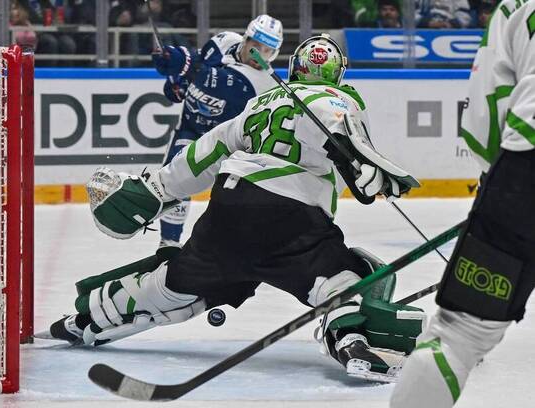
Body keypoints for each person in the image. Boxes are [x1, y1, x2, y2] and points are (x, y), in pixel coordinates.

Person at [39, 34, 427, 383]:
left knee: (175, 285)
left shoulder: (260, 103)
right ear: (339, 75)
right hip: (290, 222)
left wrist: (156, 189)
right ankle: (352, 342)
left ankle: (84, 321)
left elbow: (206, 151)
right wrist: (366, 162)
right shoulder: (338, 100)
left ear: (295, 68)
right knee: (348, 277)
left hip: (230, 208)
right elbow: (339, 126)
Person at [391, 1, 535, 406]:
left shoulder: (519, 6)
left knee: (460, 334)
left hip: (528, 163)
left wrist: (500, 189)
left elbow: (483, 120)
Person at [151, 15, 284, 248]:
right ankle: (168, 243)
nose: (259, 55)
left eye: (267, 51)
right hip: (191, 128)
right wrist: (179, 82)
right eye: (256, 46)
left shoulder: (265, 84)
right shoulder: (223, 41)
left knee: (231, 201)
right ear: (245, 39)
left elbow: (219, 83)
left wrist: (184, 63)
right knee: (174, 174)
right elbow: (200, 64)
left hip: (225, 147)